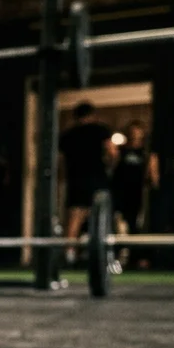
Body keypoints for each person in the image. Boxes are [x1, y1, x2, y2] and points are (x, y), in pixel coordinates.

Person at [58, 102, 117, 264]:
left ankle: (69, 254)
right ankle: (104, 255)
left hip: (76, 180)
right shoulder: (100, 130)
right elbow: (112, 152)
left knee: (74, 217)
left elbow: (61, 161)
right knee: (101, 216)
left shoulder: (68, 135)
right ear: (92, 115)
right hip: (97, 179)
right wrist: (110, 166)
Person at [111, 121, 159, 266]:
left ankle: (135, 257)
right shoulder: (120, 151)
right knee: (117, 225)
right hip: (119, 192)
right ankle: (115, 255)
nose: (135, 135)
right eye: (132, 131)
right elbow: (112, 168)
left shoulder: (146, 153)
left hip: (136, 194)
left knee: (135, 226)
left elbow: (154, 177)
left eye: (137, 132)